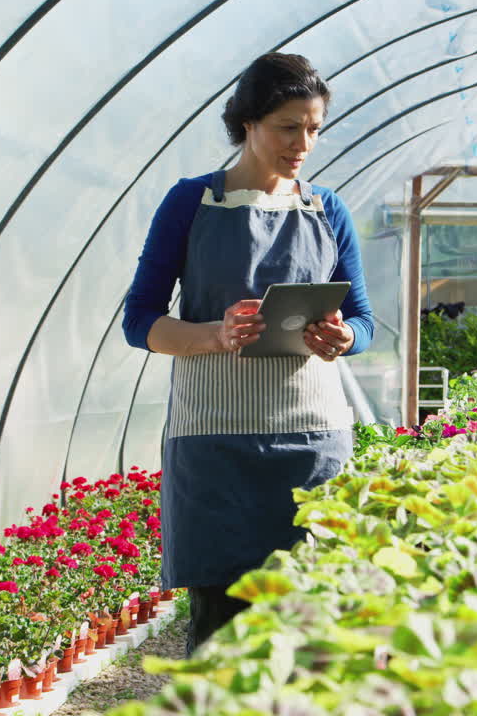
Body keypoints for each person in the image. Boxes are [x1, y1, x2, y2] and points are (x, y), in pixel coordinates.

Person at [122, 52, 373, 656]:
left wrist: (343, 339)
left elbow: (364, 322)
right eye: (289, 127)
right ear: (248, 123)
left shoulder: (328, 210)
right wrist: (214, 335)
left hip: (312, 443)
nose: (303, 144)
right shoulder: (191, 204)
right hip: (214, 445)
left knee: (313, 631)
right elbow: (140, 321)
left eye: (313, 128)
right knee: (220, 632)